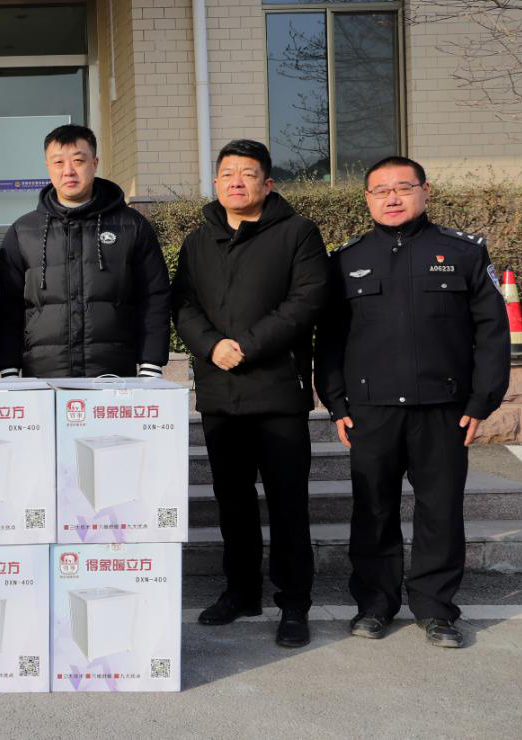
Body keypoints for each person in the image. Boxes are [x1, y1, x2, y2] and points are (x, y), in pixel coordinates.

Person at [315, 156, 509, 648]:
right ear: (367, 199)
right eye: (381, 191)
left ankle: (436, 609)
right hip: (371, 409)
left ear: (425, 191)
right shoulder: (345, 260)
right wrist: (336, 403)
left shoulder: (462, 252)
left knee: (440, 511)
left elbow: (492, 331)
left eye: (403, 187)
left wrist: (481, 401)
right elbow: (330, 338)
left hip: (444, 408)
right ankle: (374, 605)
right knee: (373, 510)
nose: (392, 198)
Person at [173, 139, 329, 648]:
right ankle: (241, 592)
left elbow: (306, 301)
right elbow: (183, 304)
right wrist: (211, 345)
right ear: (215, 182)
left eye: (247, 173)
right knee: (232, 502)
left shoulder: (298, 233)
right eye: (227, 173)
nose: (236, 181)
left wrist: (247, 346)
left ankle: (294, 603)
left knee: (288, 504)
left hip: (278, 391)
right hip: (221, 394)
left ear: (268, 183)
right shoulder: (199, 239)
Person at [0, 124, 171, 379]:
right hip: (43, 376)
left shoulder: (131, 226)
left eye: (78, 160)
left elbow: (154, 296)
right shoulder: (23, 231)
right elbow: (7, 306)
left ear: (95, 163)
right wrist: (8, 368)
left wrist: (151, 364)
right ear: (48, 166)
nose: (68, 171)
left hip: (113, 375)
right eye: (58, 162)